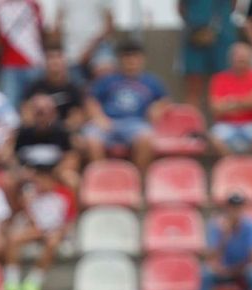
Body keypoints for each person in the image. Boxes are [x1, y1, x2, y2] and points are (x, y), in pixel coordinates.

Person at [86, 41, 168, 170]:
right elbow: (91, 100)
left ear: (142, 59)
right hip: (108, 122)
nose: (131, 61)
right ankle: (100, 182)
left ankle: (138, 183)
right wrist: (98, 117)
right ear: (119, 59)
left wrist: (157, 107)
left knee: (146, 138)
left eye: (135, 57)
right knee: (92, 139)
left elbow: (164, 100)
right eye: (126, 57)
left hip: (136, 123)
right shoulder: (107, 80)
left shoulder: (151, 81)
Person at [4, 163, 76, 290]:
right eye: (37, 180)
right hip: (36, 229)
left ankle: (34, 281)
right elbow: (28, 215)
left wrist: (60, 231)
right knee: (13, 238)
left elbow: (69, 220)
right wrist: (27, 204)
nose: (39, 183)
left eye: (42, 180)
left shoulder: (65, 194)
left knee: (53, 241)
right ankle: (11, 281)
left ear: (50, 179)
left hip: (55, 231)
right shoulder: (30, 193)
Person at [208, 42, 252, 156]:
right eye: (238, 58)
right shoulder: (219, 79)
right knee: (214, 137)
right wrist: (248, 102)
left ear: (250, 60)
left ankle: (249, 163)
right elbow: (216, 108)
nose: (241, 62)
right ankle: (231, 164)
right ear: (231, 60)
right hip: (226, 124)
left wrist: (231, 102)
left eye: (244, 59)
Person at [178, 0, 238, 110]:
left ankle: (223, 125)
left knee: (225, 81)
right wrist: (198, 29)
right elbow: (181, 8)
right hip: (195, 35)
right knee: (193, 84)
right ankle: (191, 124)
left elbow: (233, 5)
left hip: (222, 33)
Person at [14, 92, 79, 187]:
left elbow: (71, 158)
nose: (42, 118)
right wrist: (22, 171)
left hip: (55, 175)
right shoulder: (23, 133)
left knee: (72, 180)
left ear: (53, 113)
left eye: (45, 113)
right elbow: (13, 158)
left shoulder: (62, 133)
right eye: (38, 113)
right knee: (10, 181)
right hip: (29, 176)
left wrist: (52, 174)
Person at [0, 0, 45, 108]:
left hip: (32, 61)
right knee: (9, 105)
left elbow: (39, 29)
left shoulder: (33, 5)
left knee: (35, 105)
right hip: (10, 63)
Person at [57, 0, 115, 82]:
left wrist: (90, 49)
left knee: (105, 72)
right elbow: (59, 20)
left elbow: (109, 24)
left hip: (98, 45)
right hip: (72, 48)